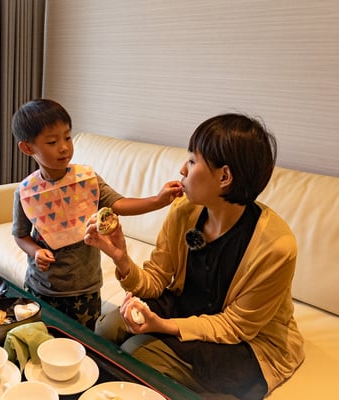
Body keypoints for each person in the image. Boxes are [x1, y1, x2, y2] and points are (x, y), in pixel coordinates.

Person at [84, 113, 305, 399]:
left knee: (137, 354)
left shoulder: (275, 247)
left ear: (224, 177)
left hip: (247, 342)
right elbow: (156, 280)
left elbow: (235, 326)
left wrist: (162, 326)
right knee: (107, 329)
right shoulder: (184, 211)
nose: (182, 169)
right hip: (188, 308)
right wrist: (121, 257)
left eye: (191, 161)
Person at [12, 99, 183, 330]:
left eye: (67, 137)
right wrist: (35, 251)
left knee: (84, 341)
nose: (64, 147)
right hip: (41, 287)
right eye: (52, 142)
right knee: (40, 336)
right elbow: (20, 235)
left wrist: (158, 200)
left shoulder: (87, 180)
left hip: (86, 288)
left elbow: (119, 204)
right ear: (27, 148)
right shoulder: (26, 192)